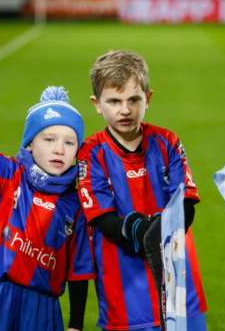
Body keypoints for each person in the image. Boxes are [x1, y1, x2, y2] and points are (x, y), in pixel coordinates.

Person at [0, 86, 95, 331]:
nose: (59, 149)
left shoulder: (77, 204)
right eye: (49, 139)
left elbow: (79, 270)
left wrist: (75, 324)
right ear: (30, 144)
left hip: (41, 307)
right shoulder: (9, 174)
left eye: (69, 142)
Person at [77, 50, 207, 331]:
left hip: (181, 287)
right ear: (97, 104)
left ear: (147, 99)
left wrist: (162, 228)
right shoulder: (91, 154)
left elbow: (186, 202)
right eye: (114, 101)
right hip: (125, 293)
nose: (124, 110)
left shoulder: (167, 142)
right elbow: (102, 218)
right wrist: (142, 231)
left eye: (133, 100)